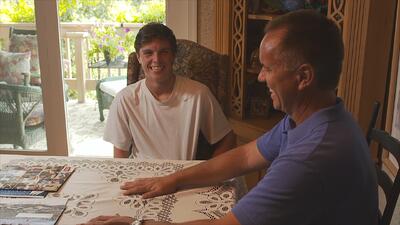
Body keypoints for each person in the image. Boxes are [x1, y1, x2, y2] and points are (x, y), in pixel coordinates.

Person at [83, 10, 378, 225]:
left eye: (268, 68)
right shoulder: (308, 119)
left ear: (303, 77)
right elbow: (245, 156)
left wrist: (136, 222)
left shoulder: (311, 157)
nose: (260, 77)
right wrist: (174, 179)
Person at [104, 23, 236, 160]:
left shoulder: (198, 94)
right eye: (148, 53)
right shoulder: (125, 99)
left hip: (183, 177)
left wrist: (208, 170)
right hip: (141, 176)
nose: (156, 60)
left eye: (163, 52)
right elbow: (120, 155)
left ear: (173, 55)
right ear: (138, 57)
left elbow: (228, 139)